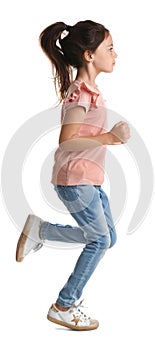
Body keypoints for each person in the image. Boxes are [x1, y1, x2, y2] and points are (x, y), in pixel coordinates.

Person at [16, 20, 130, 331]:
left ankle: (42, 231)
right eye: (109, 48)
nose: (115, 54)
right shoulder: (82, 93)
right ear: (90, 55)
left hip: (87, 180)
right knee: (99, 241)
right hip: (75, 181)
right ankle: (64, 305)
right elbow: (67, 140)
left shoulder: (90, 90)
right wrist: (108, 138)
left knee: (108, 238)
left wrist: (110, 137)